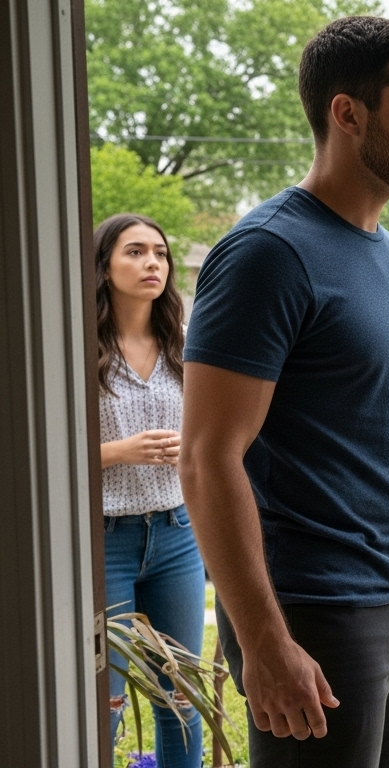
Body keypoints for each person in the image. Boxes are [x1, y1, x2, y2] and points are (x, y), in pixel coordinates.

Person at [179, 17, 389, 767]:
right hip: (314, 613)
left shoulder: (388, 255)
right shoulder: (269, 256)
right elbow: (206, 459)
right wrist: (263, 641)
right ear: (347, 114)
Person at [96, 213, 204, 767]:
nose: (152, 264)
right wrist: (122, 451)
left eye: (159, 253)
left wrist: (190, 446)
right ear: (105, 266)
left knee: (182, 699)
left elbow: (213, 435)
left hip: (177, 538)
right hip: (103, 544)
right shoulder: (79, 351)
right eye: (135, 252)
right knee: (103, 704)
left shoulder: (184, 345)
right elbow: (46, 458)